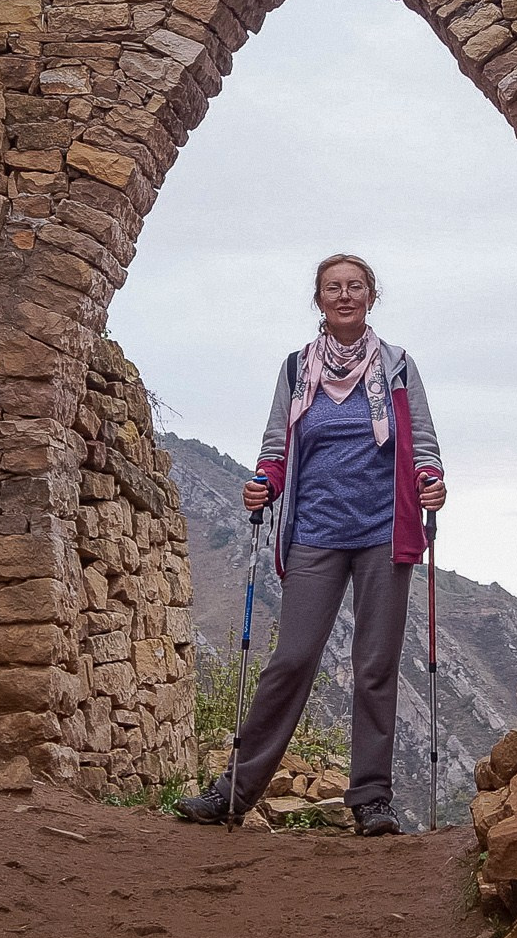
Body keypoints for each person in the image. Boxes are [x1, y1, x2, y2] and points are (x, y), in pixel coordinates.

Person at [176, 253, 447, 836]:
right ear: (319, 300)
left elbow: (421, 438)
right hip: (315, 534)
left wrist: (431, 482)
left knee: (375, 665)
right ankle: (235, 792)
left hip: (382, 532)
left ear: (372, 295)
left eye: (354, 287)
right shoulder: (299, 368)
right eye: (333, 288)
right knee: (292, 659)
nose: (344, 296)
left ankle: (371, 801)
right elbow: (278, 443)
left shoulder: (397, 366)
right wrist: (263, 483)